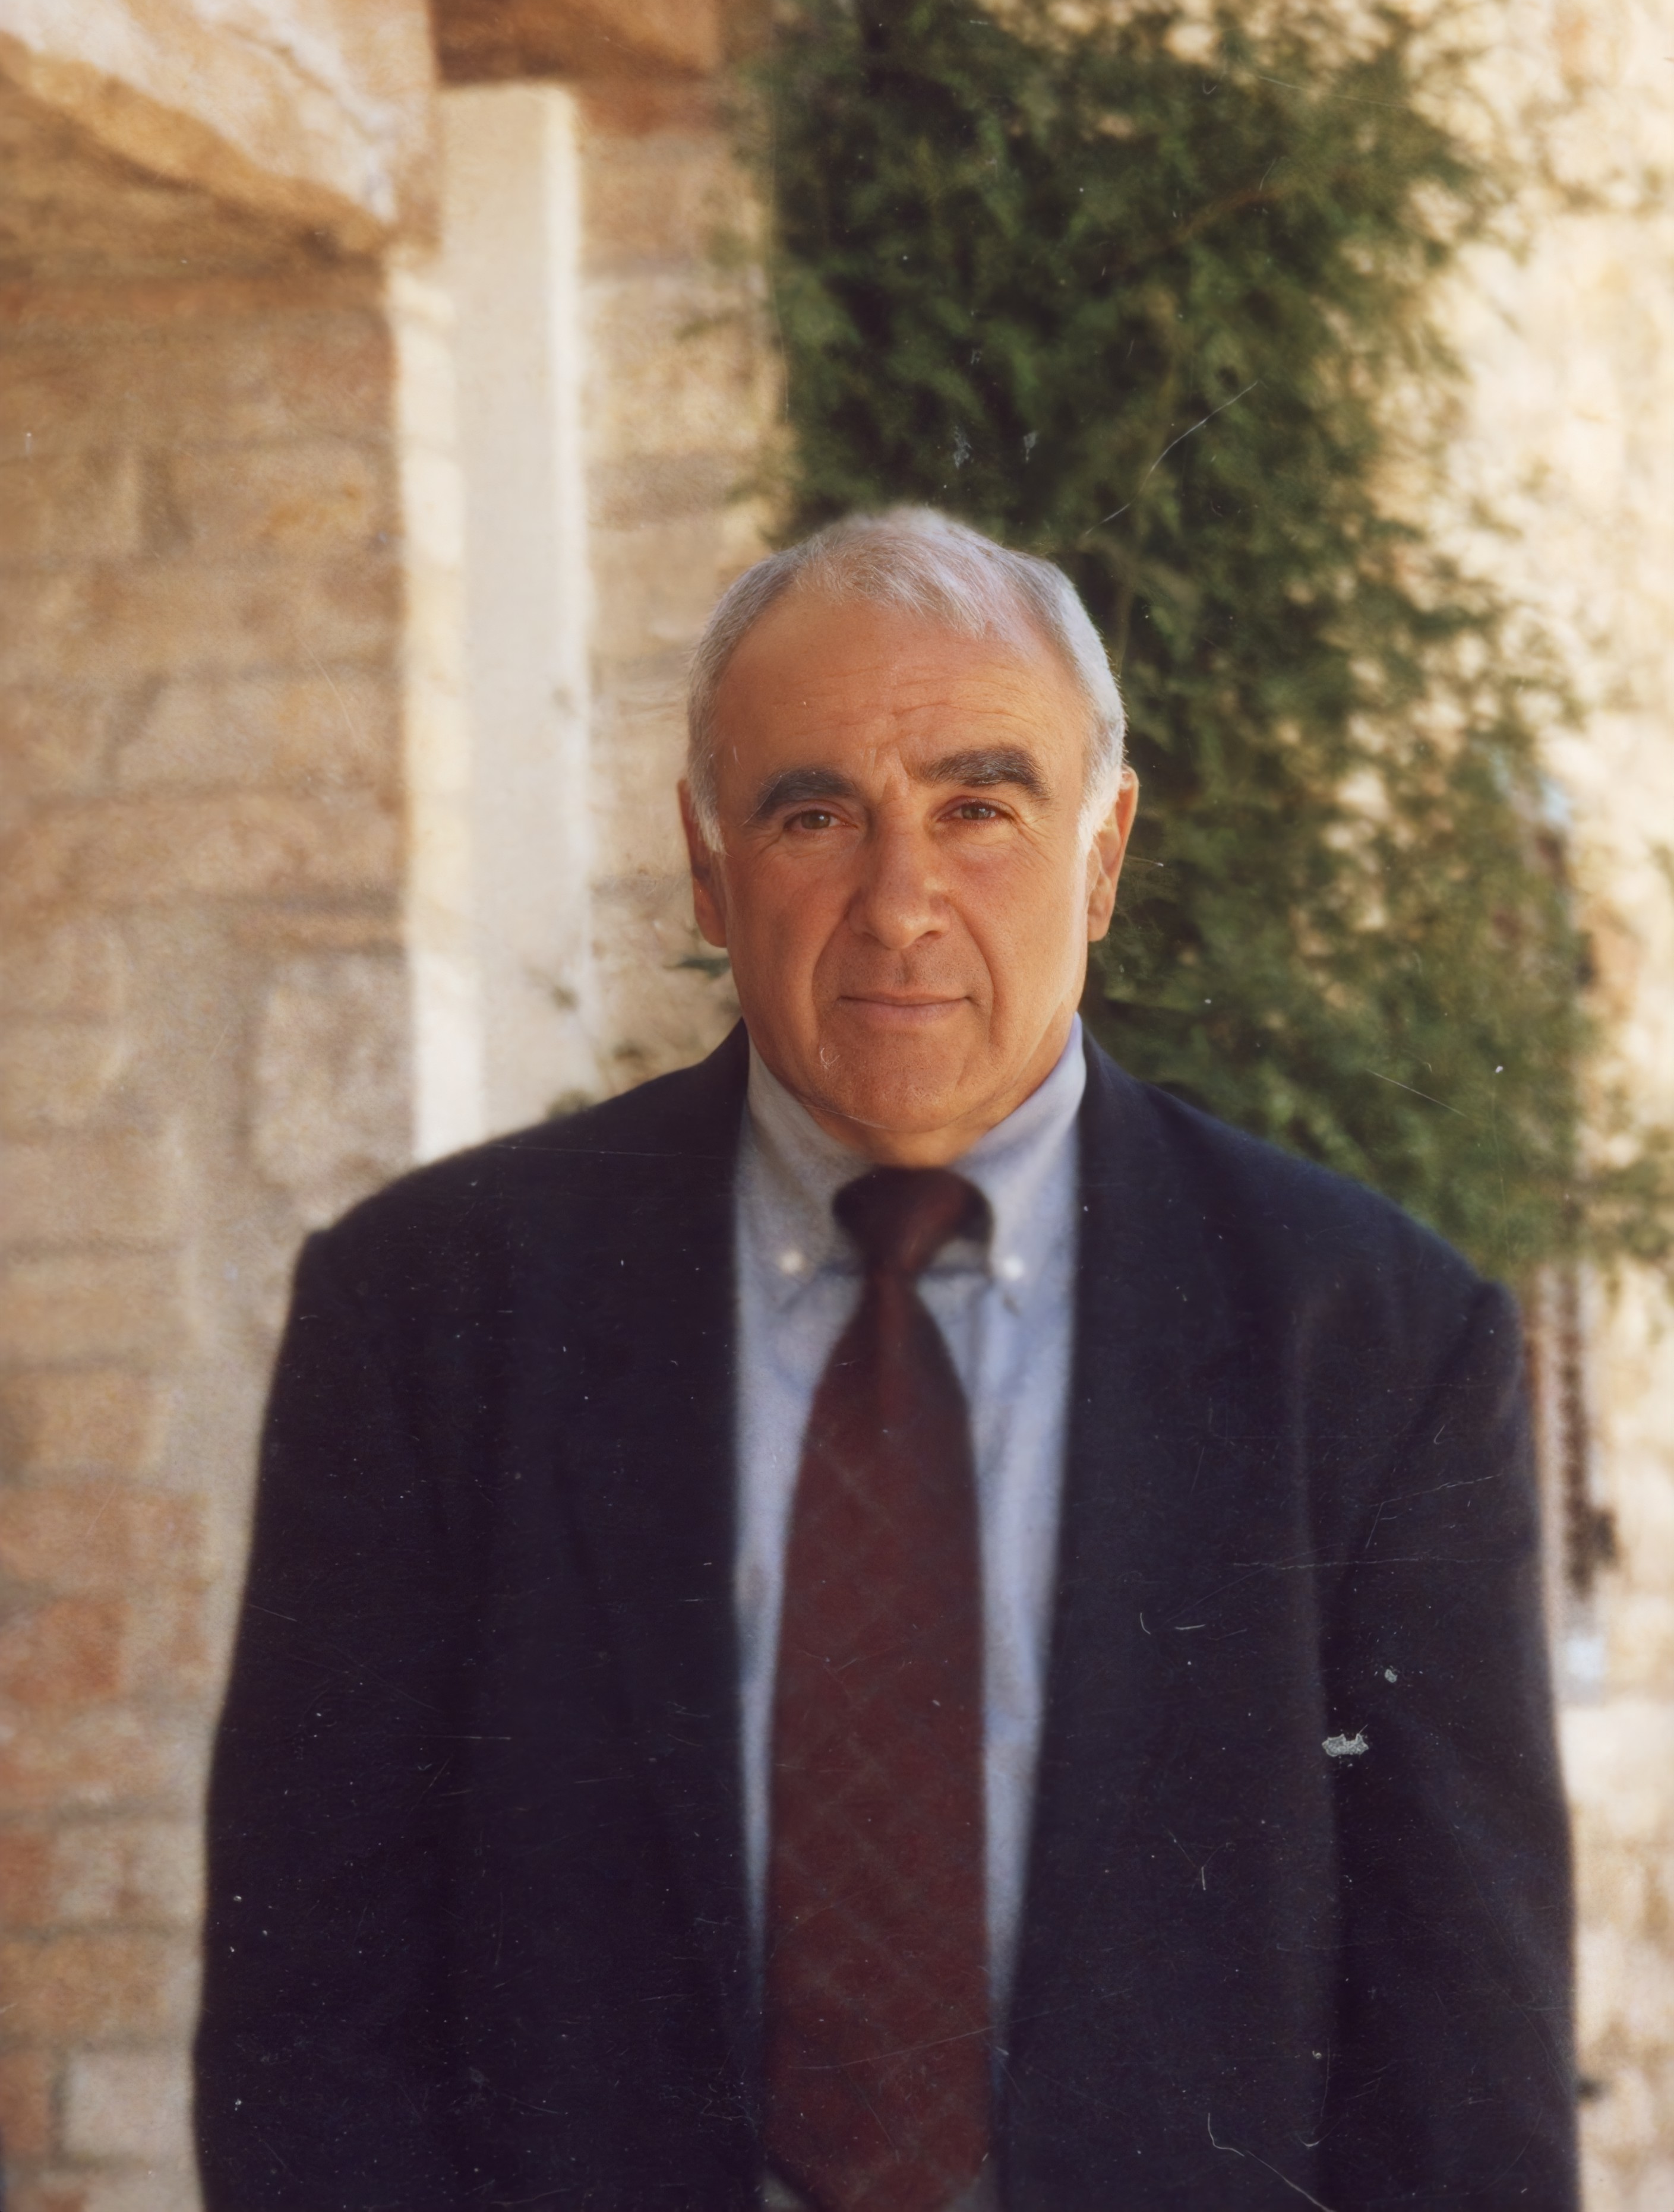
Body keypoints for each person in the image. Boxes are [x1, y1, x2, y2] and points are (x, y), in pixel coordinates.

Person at [195, 510, 1577, 2211]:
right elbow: (309, 2025)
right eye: (815, 815)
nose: (899, 905)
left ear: (1103, 856)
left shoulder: (1373, 1343)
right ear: (708, 865)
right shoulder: (430, 1317)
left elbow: (1463, 2072)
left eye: (979, 810)